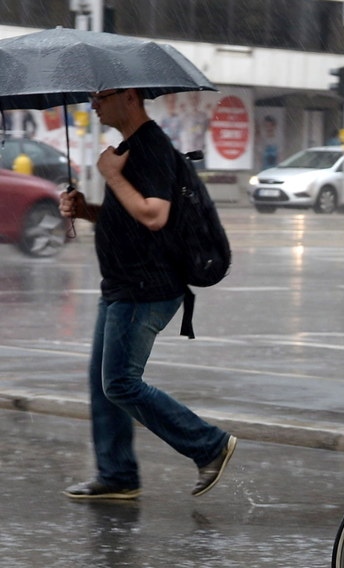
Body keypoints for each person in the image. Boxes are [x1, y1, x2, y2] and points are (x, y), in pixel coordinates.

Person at [58, 87, 236, 501]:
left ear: (131, 97)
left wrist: (112, 176)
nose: (94, 104)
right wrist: (86, 210)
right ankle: (117, 475)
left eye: (101, 96)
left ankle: (208, 444)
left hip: (145, 288)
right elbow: (129, 214)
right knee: (103, 384)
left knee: (119, 383)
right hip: (122, 285)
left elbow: (155, 216)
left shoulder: (150, 147)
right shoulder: (131, 148)